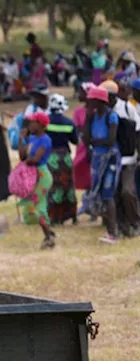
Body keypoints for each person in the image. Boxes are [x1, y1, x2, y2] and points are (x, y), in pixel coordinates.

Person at [82, 85, 120, 244]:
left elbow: (110, 141)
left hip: (109, 158)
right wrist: (87, 120)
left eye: (91, 101)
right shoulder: (93, 117)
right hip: (98, 158)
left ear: (99, 101)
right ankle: (109, 229)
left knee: (107, 194)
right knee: (99, 193)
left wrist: (94, 142)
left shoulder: (111, 116)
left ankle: (113, 233)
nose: (88, 104)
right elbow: (85, 140)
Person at [17, 112, 56, 249]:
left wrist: (23, 166)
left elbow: (35, 159)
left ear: (40, 124)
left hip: (42, 176)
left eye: (32, 122)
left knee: (34, 205)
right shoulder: (32, 138)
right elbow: (22, 156)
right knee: (38, 206)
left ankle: (49, 236)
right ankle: (49, 233)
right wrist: (21, 139)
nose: (29, 125)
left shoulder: (45, 140)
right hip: (33, 175)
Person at [45, 93, 79, 226]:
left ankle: (54, 217)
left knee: (53, 186)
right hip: (64, 157)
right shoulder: (69, 123)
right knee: (68, 186)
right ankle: (71, 215)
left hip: (50, 157)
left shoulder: (45, 122)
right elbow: (75, 141)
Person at [112, 78, 140, 236]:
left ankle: (135, 222)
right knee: (114, 193)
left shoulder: (128, 108)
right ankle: (122, 225)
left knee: (127, 192)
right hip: (111, 159)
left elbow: (137, 132)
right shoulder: (104, 110)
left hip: (129, 159)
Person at [73, 84, 94, 192]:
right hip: (82, 147)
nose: (79, 95)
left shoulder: (96, 112)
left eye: (81, 92)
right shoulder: (78, 112)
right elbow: (77, 130)